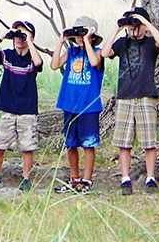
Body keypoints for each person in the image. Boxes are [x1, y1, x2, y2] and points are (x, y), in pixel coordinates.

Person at [101, 7, 159, 195]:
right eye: (131, 25)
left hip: (146, 95)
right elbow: (105, 53)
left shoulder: (149, 43)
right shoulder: (122, 43)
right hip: (125, 96)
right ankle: (125, 178)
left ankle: (151, 177)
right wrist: (118, 28)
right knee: (124, 140)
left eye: (135, 25)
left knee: (149, 140)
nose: (133, 28)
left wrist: (144, 22)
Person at [0, 21, 44, 193]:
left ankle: (26, 178)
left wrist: (29, 41)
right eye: (17, 35)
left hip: (27, 108)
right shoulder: (8, 55)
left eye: (23, 35)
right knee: (0, 144)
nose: (19, 38)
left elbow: (38, 63)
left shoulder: (32, 58)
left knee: (27, 146)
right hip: (8, 106)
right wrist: (2, 36)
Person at [50, 16, 104, 194]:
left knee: (89, 143)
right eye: (78, 33)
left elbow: (95, 62)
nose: (80, 37)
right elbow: (54, 64)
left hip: (88, 105)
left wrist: (87, 41)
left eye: (84, 32)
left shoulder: (98, 51)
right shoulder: (71, 53)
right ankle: (74, 179)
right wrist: (61, 41)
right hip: (70, 104)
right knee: (70, 143)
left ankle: (87, 180)